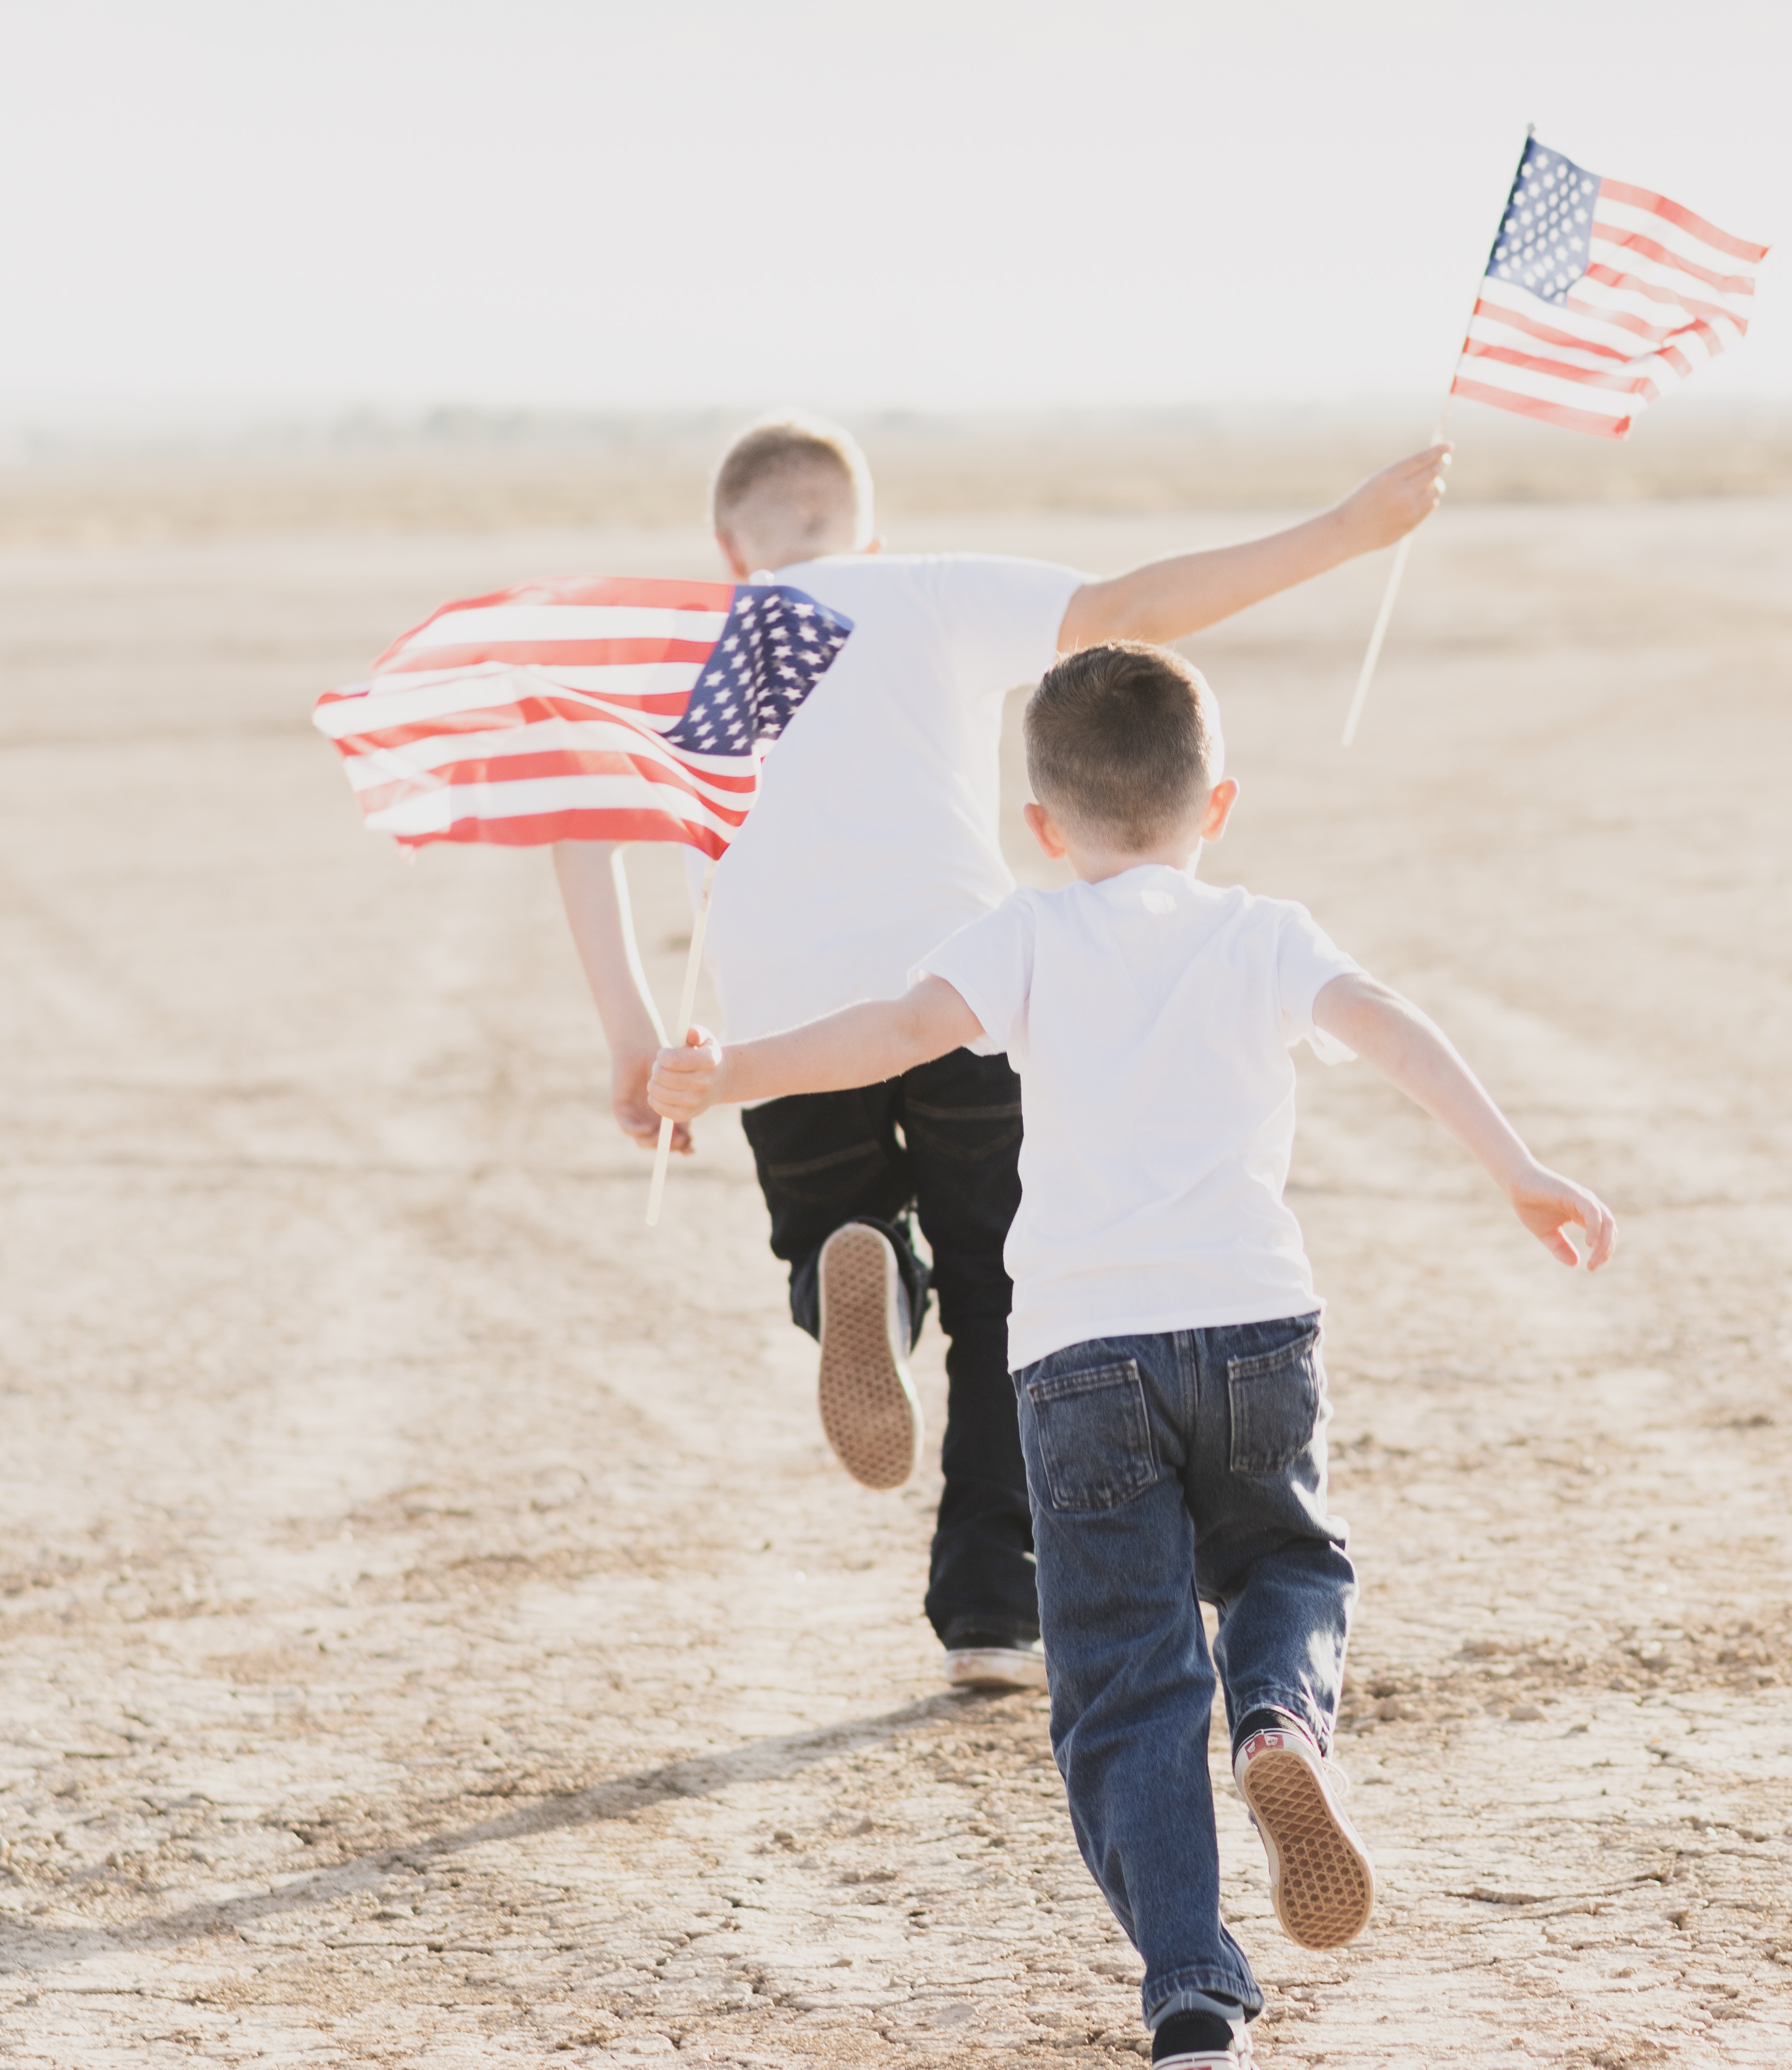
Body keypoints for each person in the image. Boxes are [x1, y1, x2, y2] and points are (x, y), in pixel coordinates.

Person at [646, 636, 1616, 2070]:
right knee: (1288, 1561)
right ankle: (1283, 1717)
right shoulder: (1265, 931)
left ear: (1043, 824)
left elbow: (899, 1032)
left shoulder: (1025, 931)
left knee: (1121, 1684)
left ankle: (1195, 2009)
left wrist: (738, 1069)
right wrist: (1519, 1166)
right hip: (1253, 1330)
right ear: (1215, 801)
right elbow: (1391, 1028)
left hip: (1080, 1354)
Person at [555, 418, 1451, 1699]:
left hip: (777, 1019)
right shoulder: (920, 588)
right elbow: (1134, 608)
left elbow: (578, 825)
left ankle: (852, 1269)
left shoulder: (675, 638)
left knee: (828, 1219)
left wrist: (636, 1040)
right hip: (962, 987)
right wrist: (1349, 529)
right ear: (862, 526)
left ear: (727, 543)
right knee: (1000, 1294)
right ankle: (989, 1605)